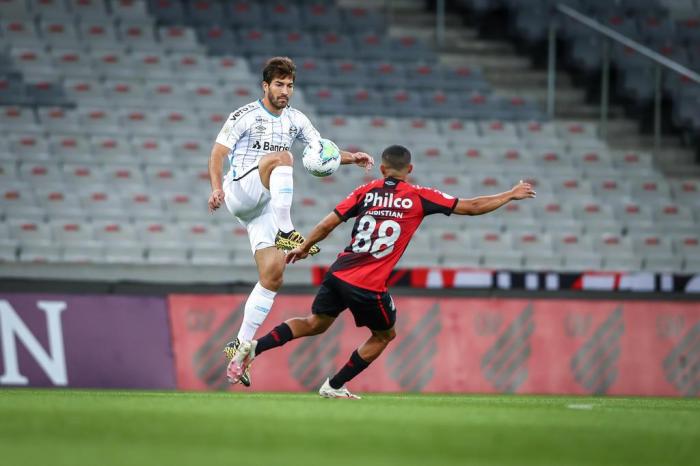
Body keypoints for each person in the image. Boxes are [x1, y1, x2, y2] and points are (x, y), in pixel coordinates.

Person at [226, 144, 536, 397]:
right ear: (409, 171)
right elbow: (471, 206)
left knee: (315, 322)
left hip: (338, 273)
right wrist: (508, 194)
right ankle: (334, 385)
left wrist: (304, 246)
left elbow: (328, 222)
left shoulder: (365, 191)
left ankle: (253, 346)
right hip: (368, 285)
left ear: (383, 169)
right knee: (385, 333)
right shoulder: (419, 195)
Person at [207, 57, 374, 387]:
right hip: (240, 190)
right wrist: (215, 189)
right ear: (265, 86)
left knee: (273, 275)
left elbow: (319, 150)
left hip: (264, 205)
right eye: (279, 85)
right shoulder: (244, 115)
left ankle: (238, 348)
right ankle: (287, 231)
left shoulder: (297, 119)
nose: (285, 91)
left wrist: (350, 157)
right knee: (283, 157)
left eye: (290, 86)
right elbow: (217, 154)